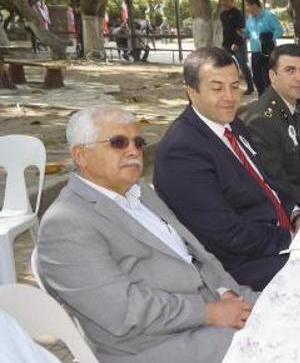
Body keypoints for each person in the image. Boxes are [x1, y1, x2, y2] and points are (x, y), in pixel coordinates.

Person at [37, 105, 256, 363]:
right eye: (118, 142)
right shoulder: (66, 224)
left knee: (291, 302)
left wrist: (224, 290)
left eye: (138, 143)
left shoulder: (140, 192)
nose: (133, 151)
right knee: (270, 344)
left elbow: (195, 254)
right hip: (152, 347)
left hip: (210, 308)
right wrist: (209, 312)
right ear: (81, 155)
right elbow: (122, 311)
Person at [154, 47, 300, 291]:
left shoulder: (230, 122)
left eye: (235, 86)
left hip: (275, 235)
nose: (230, 97)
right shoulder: (181, 151)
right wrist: (290, 239)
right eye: (217, 88)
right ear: (191, 91)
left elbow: (267, 182)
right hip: (240, 266)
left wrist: (296, 215)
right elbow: (226, 234)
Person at [241, 44, 300, 211]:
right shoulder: (262, 120)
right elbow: (277, 182)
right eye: (290, 70)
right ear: (272, 75)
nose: (299, 78)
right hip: (283, 207)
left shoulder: (290, 104)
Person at [244, 0, 283, 95]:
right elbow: (248, 33)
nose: (246, 8)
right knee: (256, 78)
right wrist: (243, 33)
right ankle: (262, 99)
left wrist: (269, 39)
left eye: (247, 6)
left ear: (254, 5)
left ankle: (271, 99)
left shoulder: (269, 16)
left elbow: (279, 30)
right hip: (255, 53)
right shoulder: (249, 20)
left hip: (267, 52)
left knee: (268, 78)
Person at [219, 0, 253, 94]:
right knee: (226, 66)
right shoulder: (223, 15)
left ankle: (250, 87)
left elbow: (241, 31)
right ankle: (230, 87)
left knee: (243, 65)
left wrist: (237, 43)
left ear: (231, 0)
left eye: (226, 0)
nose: (224, 2)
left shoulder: (238, 13)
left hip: (239, 44)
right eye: (222, 0)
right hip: (226, 44)